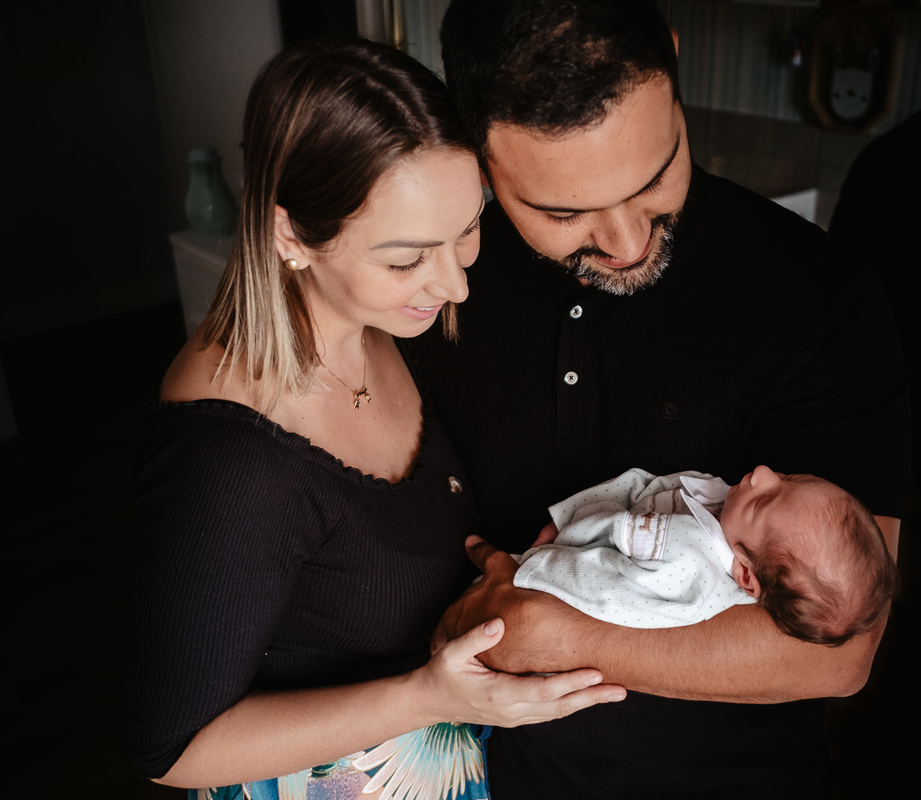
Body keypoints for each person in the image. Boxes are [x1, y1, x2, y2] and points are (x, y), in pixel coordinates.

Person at [409, 1, 909, 796]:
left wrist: (558, 635)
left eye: (653, 179)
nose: (627, 243)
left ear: (674, 63)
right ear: (475, 144)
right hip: (494, 778)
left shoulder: (819, 299)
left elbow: (841, 654)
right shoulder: (432, 287)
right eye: (563, 212)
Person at [120, 38, 623, 800]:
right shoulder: (230, 458)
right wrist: (427, 696)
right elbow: (171, 749)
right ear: (292, 237)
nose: (454, 284)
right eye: (406, 259)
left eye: (467, 228)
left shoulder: (381, 327)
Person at [515, 466, 897, 645]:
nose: (762, 473)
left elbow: (602, 590)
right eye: (790, 477)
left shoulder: (689, 572)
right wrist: (567, 517)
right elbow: (639, 486)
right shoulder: (721, 499)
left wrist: (529, 568)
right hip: (562, 540)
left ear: (746, 574)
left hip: (542, 585)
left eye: (762, 502)